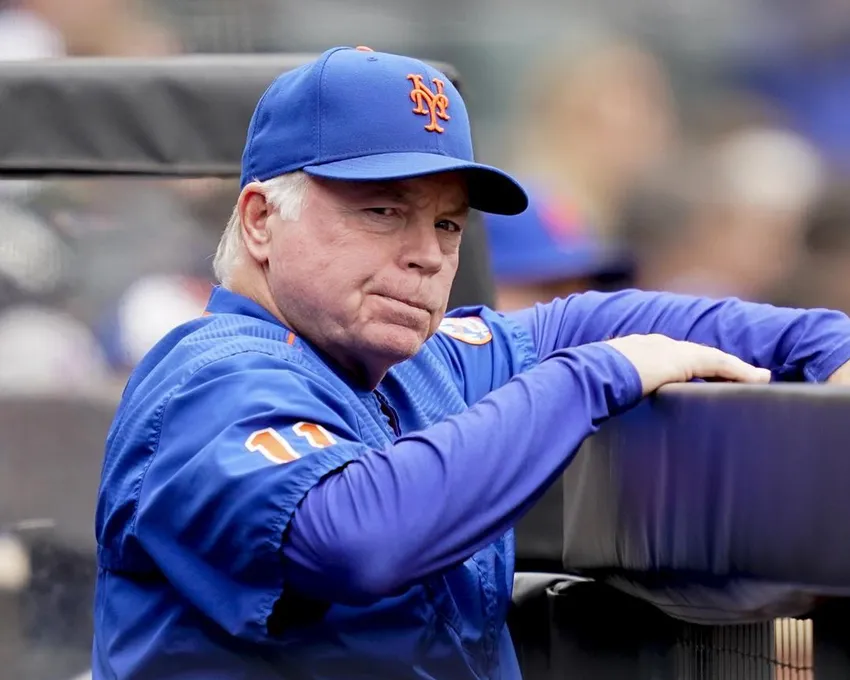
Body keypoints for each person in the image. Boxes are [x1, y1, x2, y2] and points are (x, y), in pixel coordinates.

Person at [92, 46, 850, 680]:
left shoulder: (416, 363)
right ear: (262, 221)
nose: (426, 254)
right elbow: (354, 537)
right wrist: (595, 376)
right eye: (383, 210)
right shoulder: (209, 378)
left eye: (447, 222)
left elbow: (595, 319)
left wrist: (827, 345)